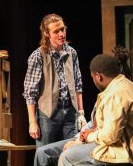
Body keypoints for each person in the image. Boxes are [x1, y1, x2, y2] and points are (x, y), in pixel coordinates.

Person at [34, 47, 133, 166]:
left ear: (98, 76)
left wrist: (88, 137)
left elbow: (110, 135)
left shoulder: (115, 94)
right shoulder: (124, 86)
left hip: (125, 152)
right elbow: (109, 125)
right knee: (46, 153)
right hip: (119, 145)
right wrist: (82, 137)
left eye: (92, 78)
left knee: (67, 157)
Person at [23, 13, 87, 148]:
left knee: (72, 151)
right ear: (47, 33)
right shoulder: (38, 56)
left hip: (70, 112)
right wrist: (32, 122)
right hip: (48, 115)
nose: (61, 34)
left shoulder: (72, 53)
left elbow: (78, 84)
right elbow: (30, 92)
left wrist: (80, 113)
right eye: (56, 31)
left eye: (62, 29)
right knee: (45, 154)